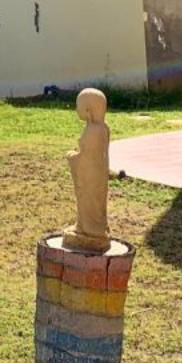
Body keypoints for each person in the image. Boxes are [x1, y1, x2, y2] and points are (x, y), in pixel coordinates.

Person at [62, 87, 111, 252]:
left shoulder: (94, 131)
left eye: (79, 107)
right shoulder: (102, 128)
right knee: (88, 200)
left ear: (88, 109)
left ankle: (92, 230)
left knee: (89, 199)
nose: (76, 110)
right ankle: (83, 225)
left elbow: (88, 157)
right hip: (96, 174)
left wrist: (73, 158)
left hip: (91, 174)